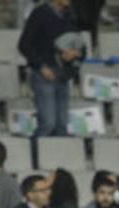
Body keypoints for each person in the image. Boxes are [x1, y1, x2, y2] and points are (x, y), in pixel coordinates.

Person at [19, 0, 83, 138]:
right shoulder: (40, 13)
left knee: (62, 125)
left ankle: (57, 158)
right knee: (48, 123)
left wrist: (75, 53)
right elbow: (24, 45)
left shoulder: (70, 15)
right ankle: (34, 156)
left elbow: (80, 44)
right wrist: (41, 67)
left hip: (64, 75)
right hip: (44, 74)